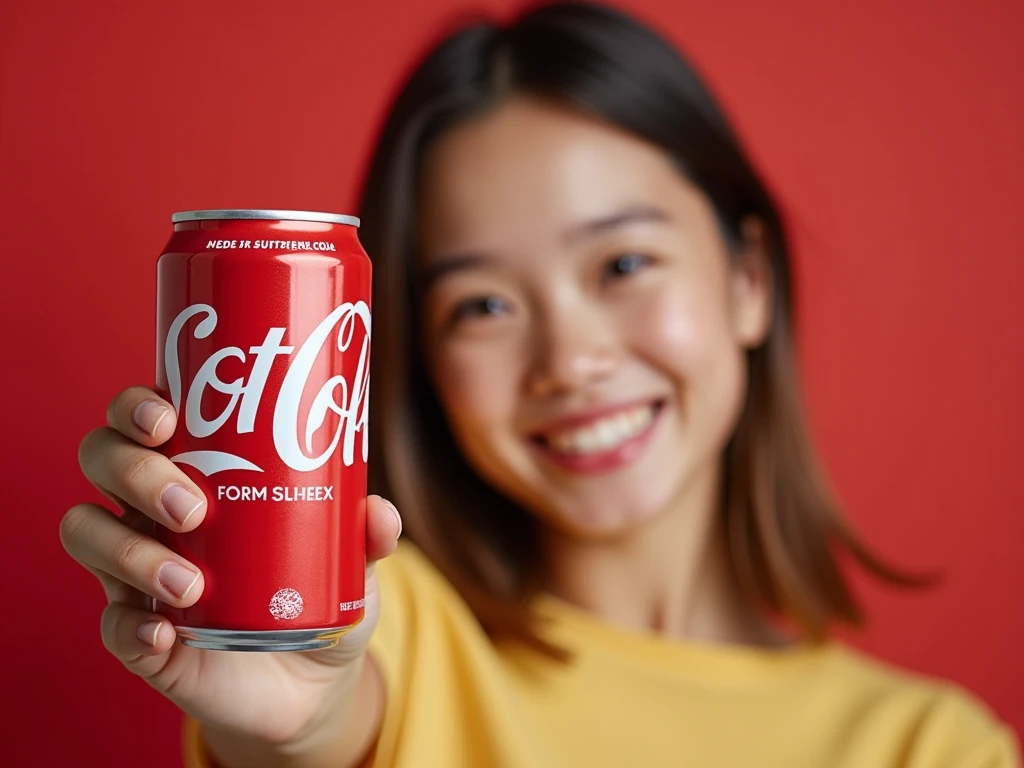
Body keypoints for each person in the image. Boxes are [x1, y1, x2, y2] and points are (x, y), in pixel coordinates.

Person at [60, 3, 1019, 766]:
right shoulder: (391, 624)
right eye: (481, 306)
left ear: (748, 280)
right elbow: (329, 704)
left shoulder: (930, 749)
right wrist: (294, 718)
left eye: (624, 265)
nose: (568, 361)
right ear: (423, 360)